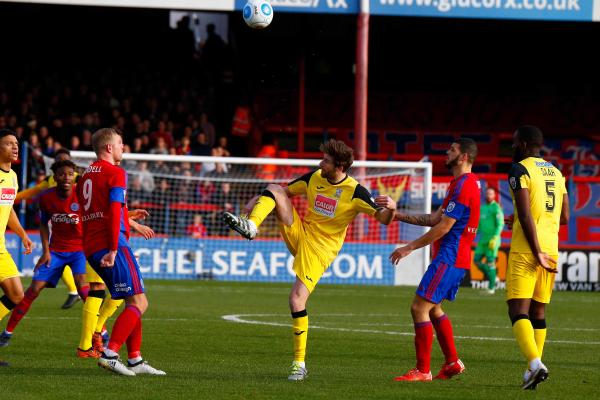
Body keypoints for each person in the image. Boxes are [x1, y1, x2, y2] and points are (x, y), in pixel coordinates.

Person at [223, 139, 396, 381]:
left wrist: (393, 208)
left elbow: (385, 219)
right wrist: (256, 201)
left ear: (340, 166)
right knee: (273, 187)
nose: (320, 163)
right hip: (302, 232)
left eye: (325, 160)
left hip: (320, 249)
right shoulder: (315, 177)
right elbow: (283, 191)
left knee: (296, 300)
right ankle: (251, 226)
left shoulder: (356, 192)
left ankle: (299, 364)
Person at [384, 138, 480, 382]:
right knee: (434, 308)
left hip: (450, 257)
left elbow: (444, 228)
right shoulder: (458, 184)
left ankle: (423, 371)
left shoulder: (464, 186)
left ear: (464, 157)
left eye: (452, 150)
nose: (447, 152)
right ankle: (452, 362)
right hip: (455, 258)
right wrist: (398, 216)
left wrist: (409, 247)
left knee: (418, 308)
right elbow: (434, 219)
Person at [78, 128, 164, 376]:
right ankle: (110, 353)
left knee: (131, 299)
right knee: (140, 301)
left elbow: (97, 212)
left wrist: (130, 220)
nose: (123, 147)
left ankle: (135, 359)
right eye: (120, 143)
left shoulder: (85, 177)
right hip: (111, 244)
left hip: (91, 246)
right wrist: (115, 248)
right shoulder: (116, 172)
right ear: (108, 148)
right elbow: (114, 210)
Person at [0, 160, 89, 347]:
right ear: (54, 177)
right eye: (62, 174)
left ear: (75, 177)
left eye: (70, 174)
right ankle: (6, 333)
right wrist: (46, 251)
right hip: (56, 251)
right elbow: (43, 224)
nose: (66, 178)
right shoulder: (46, 198)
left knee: (83, 288)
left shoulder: (82, 196)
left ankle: (100, 332)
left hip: (79, 251)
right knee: (32, 290)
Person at [506, 126, 568, 390]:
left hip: (527, 249)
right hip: (551, 249)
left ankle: (534, 364)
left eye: (513, 143)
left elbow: (526, 213)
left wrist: (535, 249)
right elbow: (564, 217)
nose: (511, 147)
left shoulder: (520, 169)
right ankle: (533, 370)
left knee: (517, 309)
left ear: (522, 144)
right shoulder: (556, 172)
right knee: (538, 311)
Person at [16, 148, 82, 309]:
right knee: (56, 256)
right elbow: (32, 192)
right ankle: (74, 291)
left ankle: (76, 292)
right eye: (58, 161)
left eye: (64, 160)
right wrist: (12, 197)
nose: (65, 176)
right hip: (58, 225)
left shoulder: (80, 181)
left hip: (81, 236)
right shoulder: (50, 180)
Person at [0, 129, 33, 367]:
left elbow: (8, 208)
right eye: (9, 143)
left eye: (16, 143)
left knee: (16, 294)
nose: (15, 147)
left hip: (0, 247)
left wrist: (22, 235)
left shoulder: (12, 176)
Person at [474, 187, 504, 294]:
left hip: (492, 239)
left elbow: (500, 224)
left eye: (490, 193)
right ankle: (494, 276)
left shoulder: (496, 208)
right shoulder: (482, 208)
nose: (488, 195)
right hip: (483, 239)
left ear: (494, 195)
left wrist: (495, 237)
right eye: (487, 193)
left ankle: (491, 288)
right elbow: (479, 225)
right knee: (476, 260)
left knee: (491, 262)